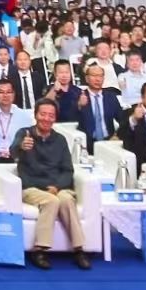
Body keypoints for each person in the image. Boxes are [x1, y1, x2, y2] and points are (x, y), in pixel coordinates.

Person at [11, 99, 90, 270]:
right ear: (35, 115)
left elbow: (68, 170)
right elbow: (13, 151)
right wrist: (22, 147)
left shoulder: (60, 140)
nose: (46, 119)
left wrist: (57, 187)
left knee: (66, 200)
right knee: (51, 201)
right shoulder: (24, 134)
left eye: (51, 115)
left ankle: (79, 249)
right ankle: (40, 250)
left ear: (55, 118)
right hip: (32, 187)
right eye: (43, 114)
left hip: (56, 187)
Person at [0, 80, 34, 163]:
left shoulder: (24, 115)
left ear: (14, 94)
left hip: (16, 159)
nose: (5, 95)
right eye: (1, 92)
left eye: (9, 92)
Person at [77, 65, 122, 150]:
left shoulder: (111, 97)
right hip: (86, 143)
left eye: (100, 76)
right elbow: (71, 120)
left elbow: (122, 119)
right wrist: (79, 105)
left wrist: (117, 135)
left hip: (109, 142)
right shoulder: (79, 96)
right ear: (87, 78)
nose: (98, 79)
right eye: (94, 75)